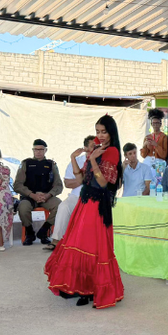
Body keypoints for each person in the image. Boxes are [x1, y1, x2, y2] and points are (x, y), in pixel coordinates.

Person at [44, 115, 125, 309]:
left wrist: (94, 159)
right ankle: (81, 287)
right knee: (77, 242)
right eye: (97, 131)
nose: (100, 135)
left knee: (90, 246)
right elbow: (80, 179)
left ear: (111, 132)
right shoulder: (98, 149)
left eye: (103, 131)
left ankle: (90, 289)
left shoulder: (112, 151)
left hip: (97, 204)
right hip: (85, 201)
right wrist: (73, 158)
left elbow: (103, 182)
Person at [45, 136, 96, 252]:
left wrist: (79, 180)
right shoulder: (77, 161)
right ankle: (56, 240)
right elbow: (67, 183)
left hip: (95, 196)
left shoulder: (102, 161)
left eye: (97, 146)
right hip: (77, 195)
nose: (95, 148)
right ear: (85, 148)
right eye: (93, 146)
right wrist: (83, 179)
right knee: (64, 206)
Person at [14, 139, 63, 245]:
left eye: (41, 149)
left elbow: (58, 185)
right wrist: (32, 195)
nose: (38, 152)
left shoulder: (51, 164)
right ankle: (30, 233)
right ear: (33, 150)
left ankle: (44, 231)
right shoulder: (26, 163)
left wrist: (48, 195)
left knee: (60, 206)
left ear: (45, 150)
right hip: (29, 196)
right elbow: (17, 185)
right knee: (23, 207)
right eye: (36, 149)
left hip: (46, 197)